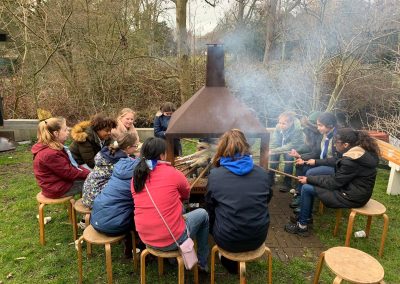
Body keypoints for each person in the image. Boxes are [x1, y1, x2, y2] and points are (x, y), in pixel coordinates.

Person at [131, 137, 209, 271]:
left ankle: (172, 259)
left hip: (145, 237)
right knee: (203, 214)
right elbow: (186, 195)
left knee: (174, 209)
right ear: (162, 155)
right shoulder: (173, 173)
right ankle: (202, 263)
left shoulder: (136, 177)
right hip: (171, 239)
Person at [284, 128, 380, 236]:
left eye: (336, 143)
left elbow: (334, 183)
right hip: (351, 189)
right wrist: (315, 162)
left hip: (351, 196)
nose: (334, 145)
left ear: (346, 144)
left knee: (307, 188)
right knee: (310, 183)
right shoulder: (357, 151)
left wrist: (309, 179)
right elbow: (336, 160)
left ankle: (302, 226)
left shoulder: (352, 160)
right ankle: (305, 217)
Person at [205, 129, 272, 274]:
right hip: (258, 237)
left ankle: (226, 256)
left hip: (227, 239)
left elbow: (210, 206)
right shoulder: (262, 173)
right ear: (247, 147)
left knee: (212, 214)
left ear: (221, 149)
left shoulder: (215, 175)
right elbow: (267, 199)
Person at [90, 155, 141, 258]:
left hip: (95, 220)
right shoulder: (136, 178)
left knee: (121, 206)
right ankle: (132, 247)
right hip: (114, 226)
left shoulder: (117, 172)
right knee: (138, 214)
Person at [289, 112, 340, 212]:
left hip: (334, 167)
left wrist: (315, 162)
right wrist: (301, 157)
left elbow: (336, 160)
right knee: (301, 166)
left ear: (330, 125)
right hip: (323, 162)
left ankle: (307, 205)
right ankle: (300, 194)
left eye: (320, 125)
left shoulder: (337, 137)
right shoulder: (325, 134)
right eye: (317, 125)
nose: (317, 128)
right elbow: (317, 152)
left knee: (310, 173)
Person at [32, 117, 90, 198]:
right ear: (56, 133)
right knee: (96, 182)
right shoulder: (50, 154)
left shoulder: (53, 147)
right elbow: (69, 172)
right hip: (57, 189)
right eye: (65, 130)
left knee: (91, 175)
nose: (68, 131)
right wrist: (90, 174)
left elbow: (72, 166)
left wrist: (89, 173)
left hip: (58, 184)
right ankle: (95, 206)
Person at [82, 132, 139, 208]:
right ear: (128, 147)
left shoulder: (108, 152)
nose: (136, 148)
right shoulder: (121, 161)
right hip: (96, 199)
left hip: (88, 193)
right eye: (136, 146)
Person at [268, 111, 304, 192]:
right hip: (283, 145)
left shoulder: (297, 129)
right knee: (273, 155)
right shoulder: (278, 127)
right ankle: (270, 178)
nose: (281, 125)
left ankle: (287, 182)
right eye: (280, 122)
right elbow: (275, 141)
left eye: (283, 123)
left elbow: (291, 145)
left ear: (291, 122)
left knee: (289, 157)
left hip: (296, 148)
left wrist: (276, 150)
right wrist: (271, 150)